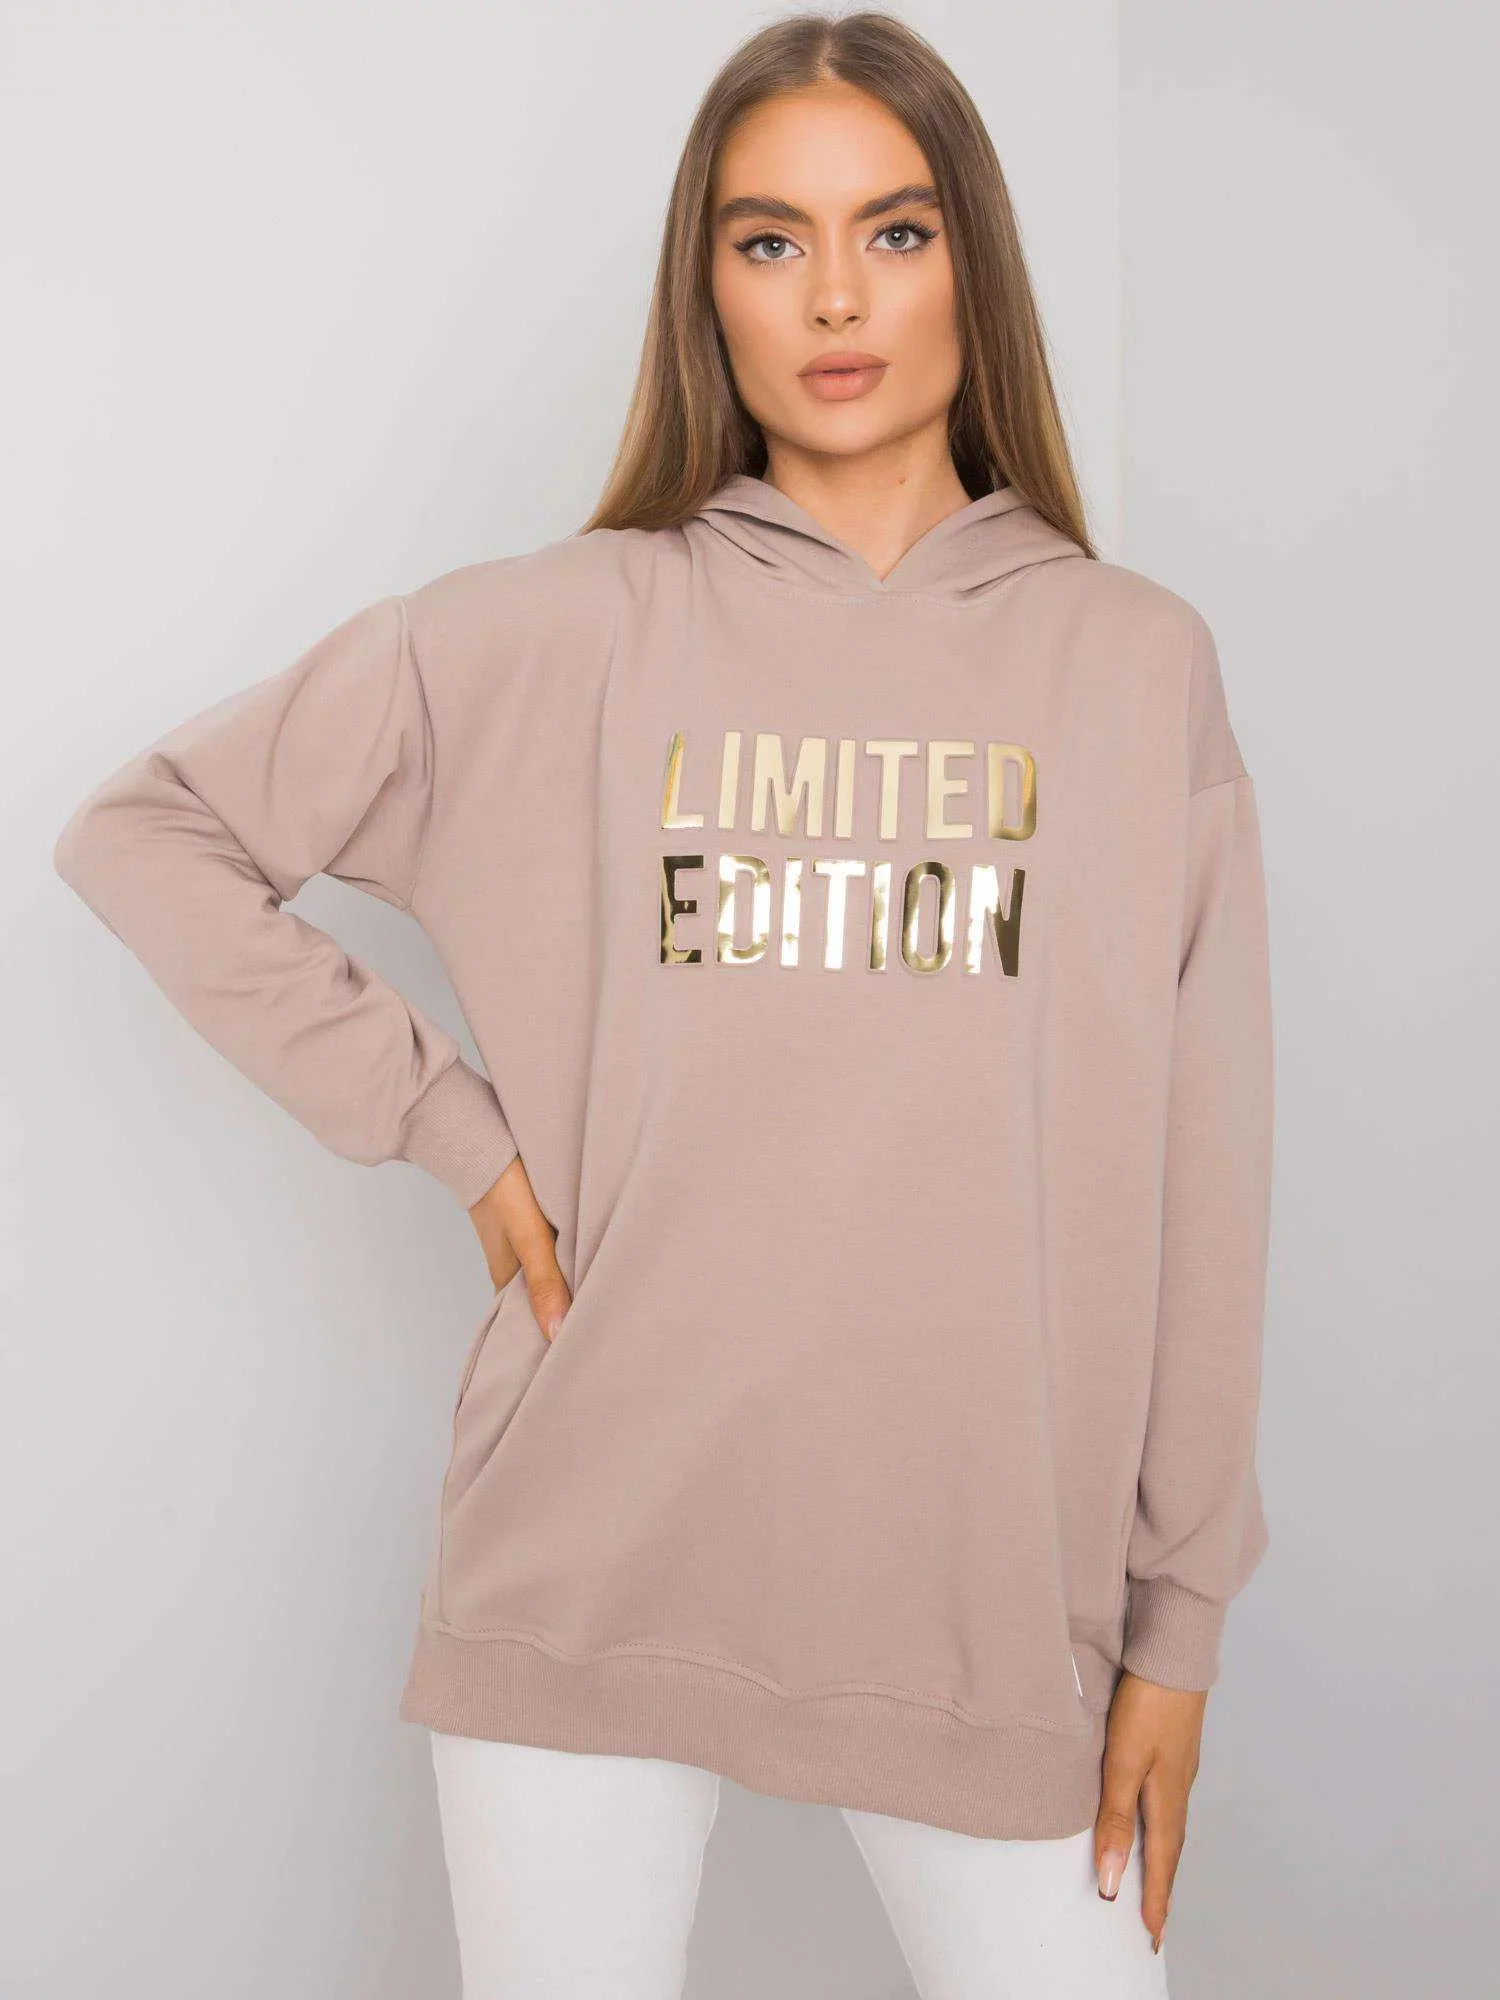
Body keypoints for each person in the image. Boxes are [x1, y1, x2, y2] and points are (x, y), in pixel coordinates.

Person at [52, 10, 1274, 1996]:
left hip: (985, 1601)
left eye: (893, 230)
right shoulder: (565, 631)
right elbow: (149, 831)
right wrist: (453, 1129)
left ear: (971, 259)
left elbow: (1207, 1179)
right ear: (708, 290)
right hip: (587, 1554)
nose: (835, 296)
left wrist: (1178, 1627)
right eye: (769, 241)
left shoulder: (1134, 669)